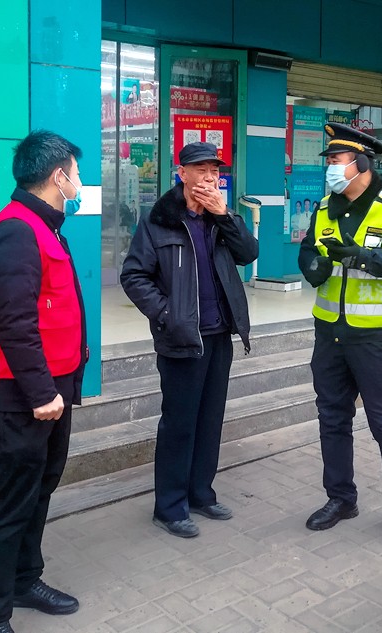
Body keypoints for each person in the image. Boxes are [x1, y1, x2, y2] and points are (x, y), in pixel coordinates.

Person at [0, 130, 88, 633]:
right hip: (22, 401)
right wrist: (41, 393)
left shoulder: (45, 227)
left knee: (38, 492)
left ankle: (24, 579)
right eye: (76, 173)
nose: (80, 181)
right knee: (12, 505)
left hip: (49, 395)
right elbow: (15, 323)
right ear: (58, 176)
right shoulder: (17, 231)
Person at [299, 122, 382, 545]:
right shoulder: (325, 207)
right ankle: (340, 498)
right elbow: (309, 249)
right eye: (329, 161)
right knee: (332, 419)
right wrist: (313, 267)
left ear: (360, 164)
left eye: (337, 161)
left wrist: (363, 258)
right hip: (329, 334)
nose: (331, 168)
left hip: (377, 339)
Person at [120, 141, 258, 539]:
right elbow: (134, 276)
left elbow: (249, 253)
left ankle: (201, 493)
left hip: (219, 334)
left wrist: (225, 215)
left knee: (210, 420)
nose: (210, 177)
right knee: (179, 424)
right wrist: (168, 315)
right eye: (201, 170)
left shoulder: (220, 217)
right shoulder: (158, 220)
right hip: (182, 338)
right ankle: (169, 506)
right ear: (182, 173)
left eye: (215, 171)